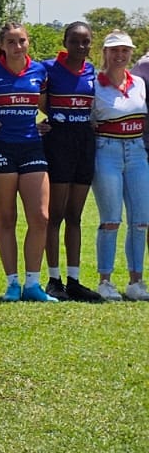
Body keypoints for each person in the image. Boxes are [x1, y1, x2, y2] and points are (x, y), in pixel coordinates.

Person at [0, 21, 53, 302]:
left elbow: (45, 105)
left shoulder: (40, 71)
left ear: (28, 42)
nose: (17, 47)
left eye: (22, 41)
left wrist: (48, 123)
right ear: (1, 46)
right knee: (7, 218)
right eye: (11, 42)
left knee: (41, 217)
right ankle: (12, 283)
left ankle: (33, 284)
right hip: (0, 149)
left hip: (32, 148)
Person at [42, 22, 101, 300]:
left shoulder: (93, 73)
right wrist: (47, 122)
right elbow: (38, 99)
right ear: (65, 42)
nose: (81, 46)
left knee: (75, 216)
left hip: (84, 144)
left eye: (86, 41)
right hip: (59, 144)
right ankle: (54, 280)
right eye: (75, 41)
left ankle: (74, 280)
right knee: (55, 216)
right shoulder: (49, 69)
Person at [91, 30, 149, 301]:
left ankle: (136, 281)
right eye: (114, 50)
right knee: (111, 220)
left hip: (137, 151)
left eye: (125, 50)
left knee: (140, 221)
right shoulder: (94, 84)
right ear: (105, 53)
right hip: (107, 151)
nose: (120, 55)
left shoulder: (138, 82)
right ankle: (105, 281)